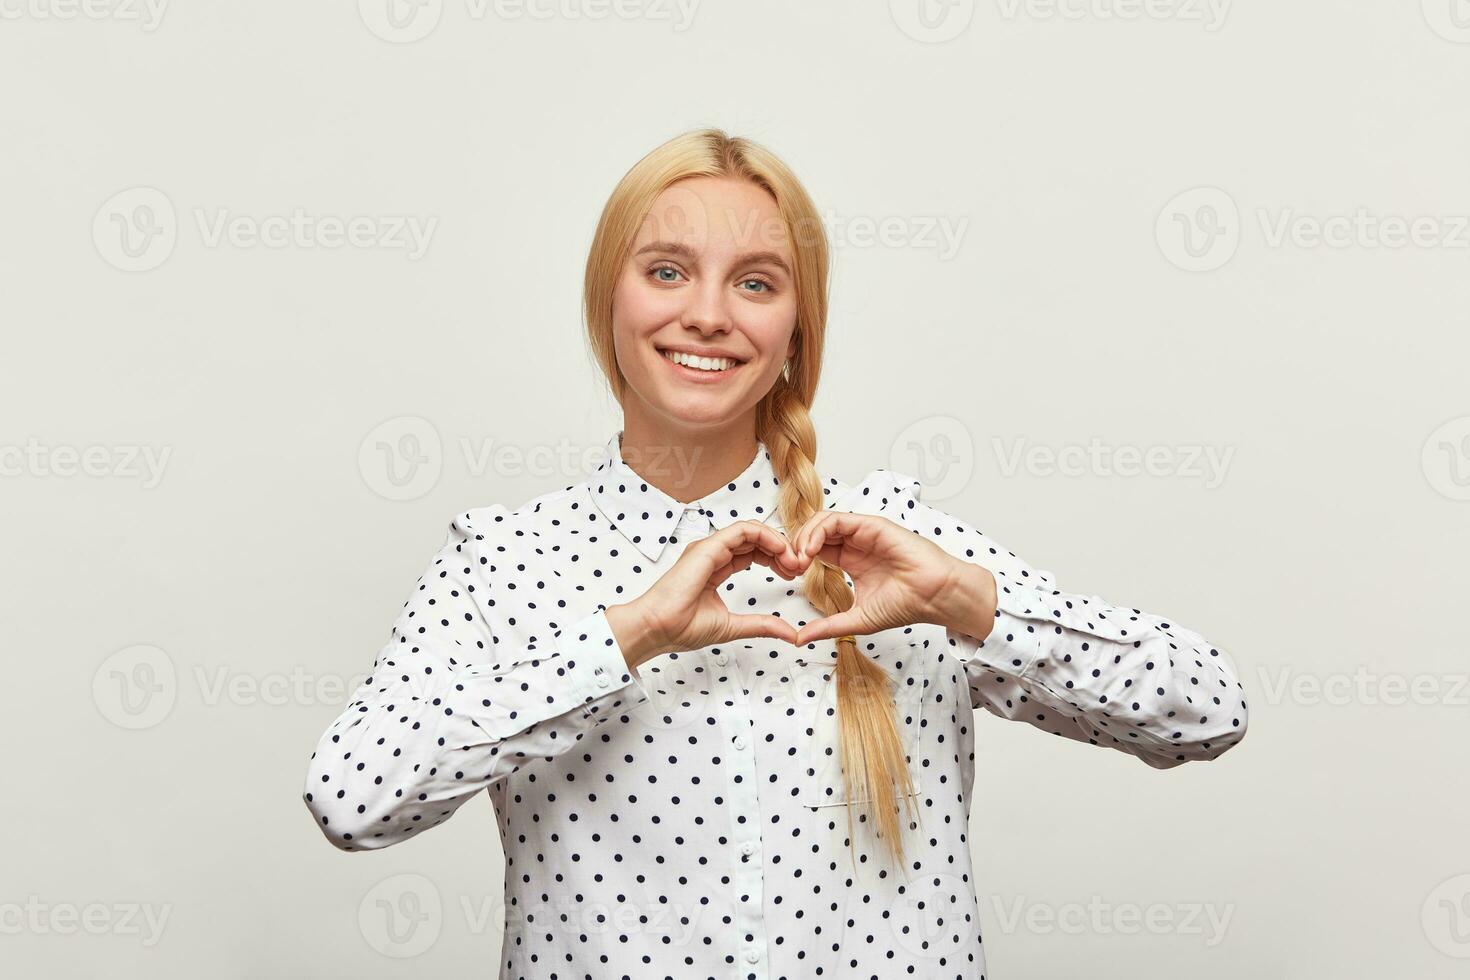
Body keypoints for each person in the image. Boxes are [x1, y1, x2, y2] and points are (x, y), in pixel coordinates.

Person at [301, 128, 1249, 979]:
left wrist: (967, 599)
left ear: (796, 330)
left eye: (754, 282)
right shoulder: (507, 561)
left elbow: (1206, 709)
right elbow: (351, 797)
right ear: (609, 299)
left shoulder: (898, 551)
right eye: (667, 270)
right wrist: (624, 637)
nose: (708, 314)